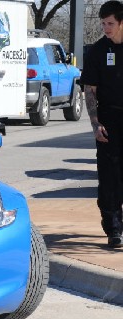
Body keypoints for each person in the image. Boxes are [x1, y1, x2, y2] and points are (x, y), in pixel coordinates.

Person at [80, 0, 123, 248]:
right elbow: (90, 91)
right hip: (109, 119)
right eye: (103, 23)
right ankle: (113, 227)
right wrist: (96, 124)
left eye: (110, 23)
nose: (106, 28)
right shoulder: (97, 51)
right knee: (109, 176)